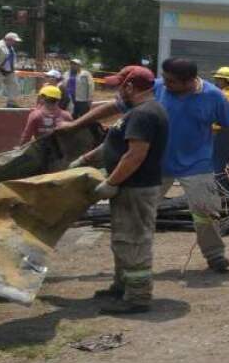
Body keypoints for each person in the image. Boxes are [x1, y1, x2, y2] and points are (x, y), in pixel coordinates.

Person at [62, 57, 229, 273]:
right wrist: (75, 125)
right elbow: (114, 107)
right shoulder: (155, 88)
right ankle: (132, 264)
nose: (165, 84)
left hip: (197, 165)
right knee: (140, 215)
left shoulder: (214, 97)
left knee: (206, 212)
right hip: (156, 165)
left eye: (171, 81)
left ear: (189, 81)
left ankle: (215, 255)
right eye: (164, 78)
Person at [71, 66, 168, 314]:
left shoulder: (143, 114)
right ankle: (121, 285)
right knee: (122, 239)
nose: (117, 91)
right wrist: (85, 160)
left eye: (119, 86)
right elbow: (113, 145)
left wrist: (111, 182)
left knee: (133, 241)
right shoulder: (136, 112)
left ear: (130, 87)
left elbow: (135, 155)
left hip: (136, 188)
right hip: (130, 187)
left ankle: (138, 296)